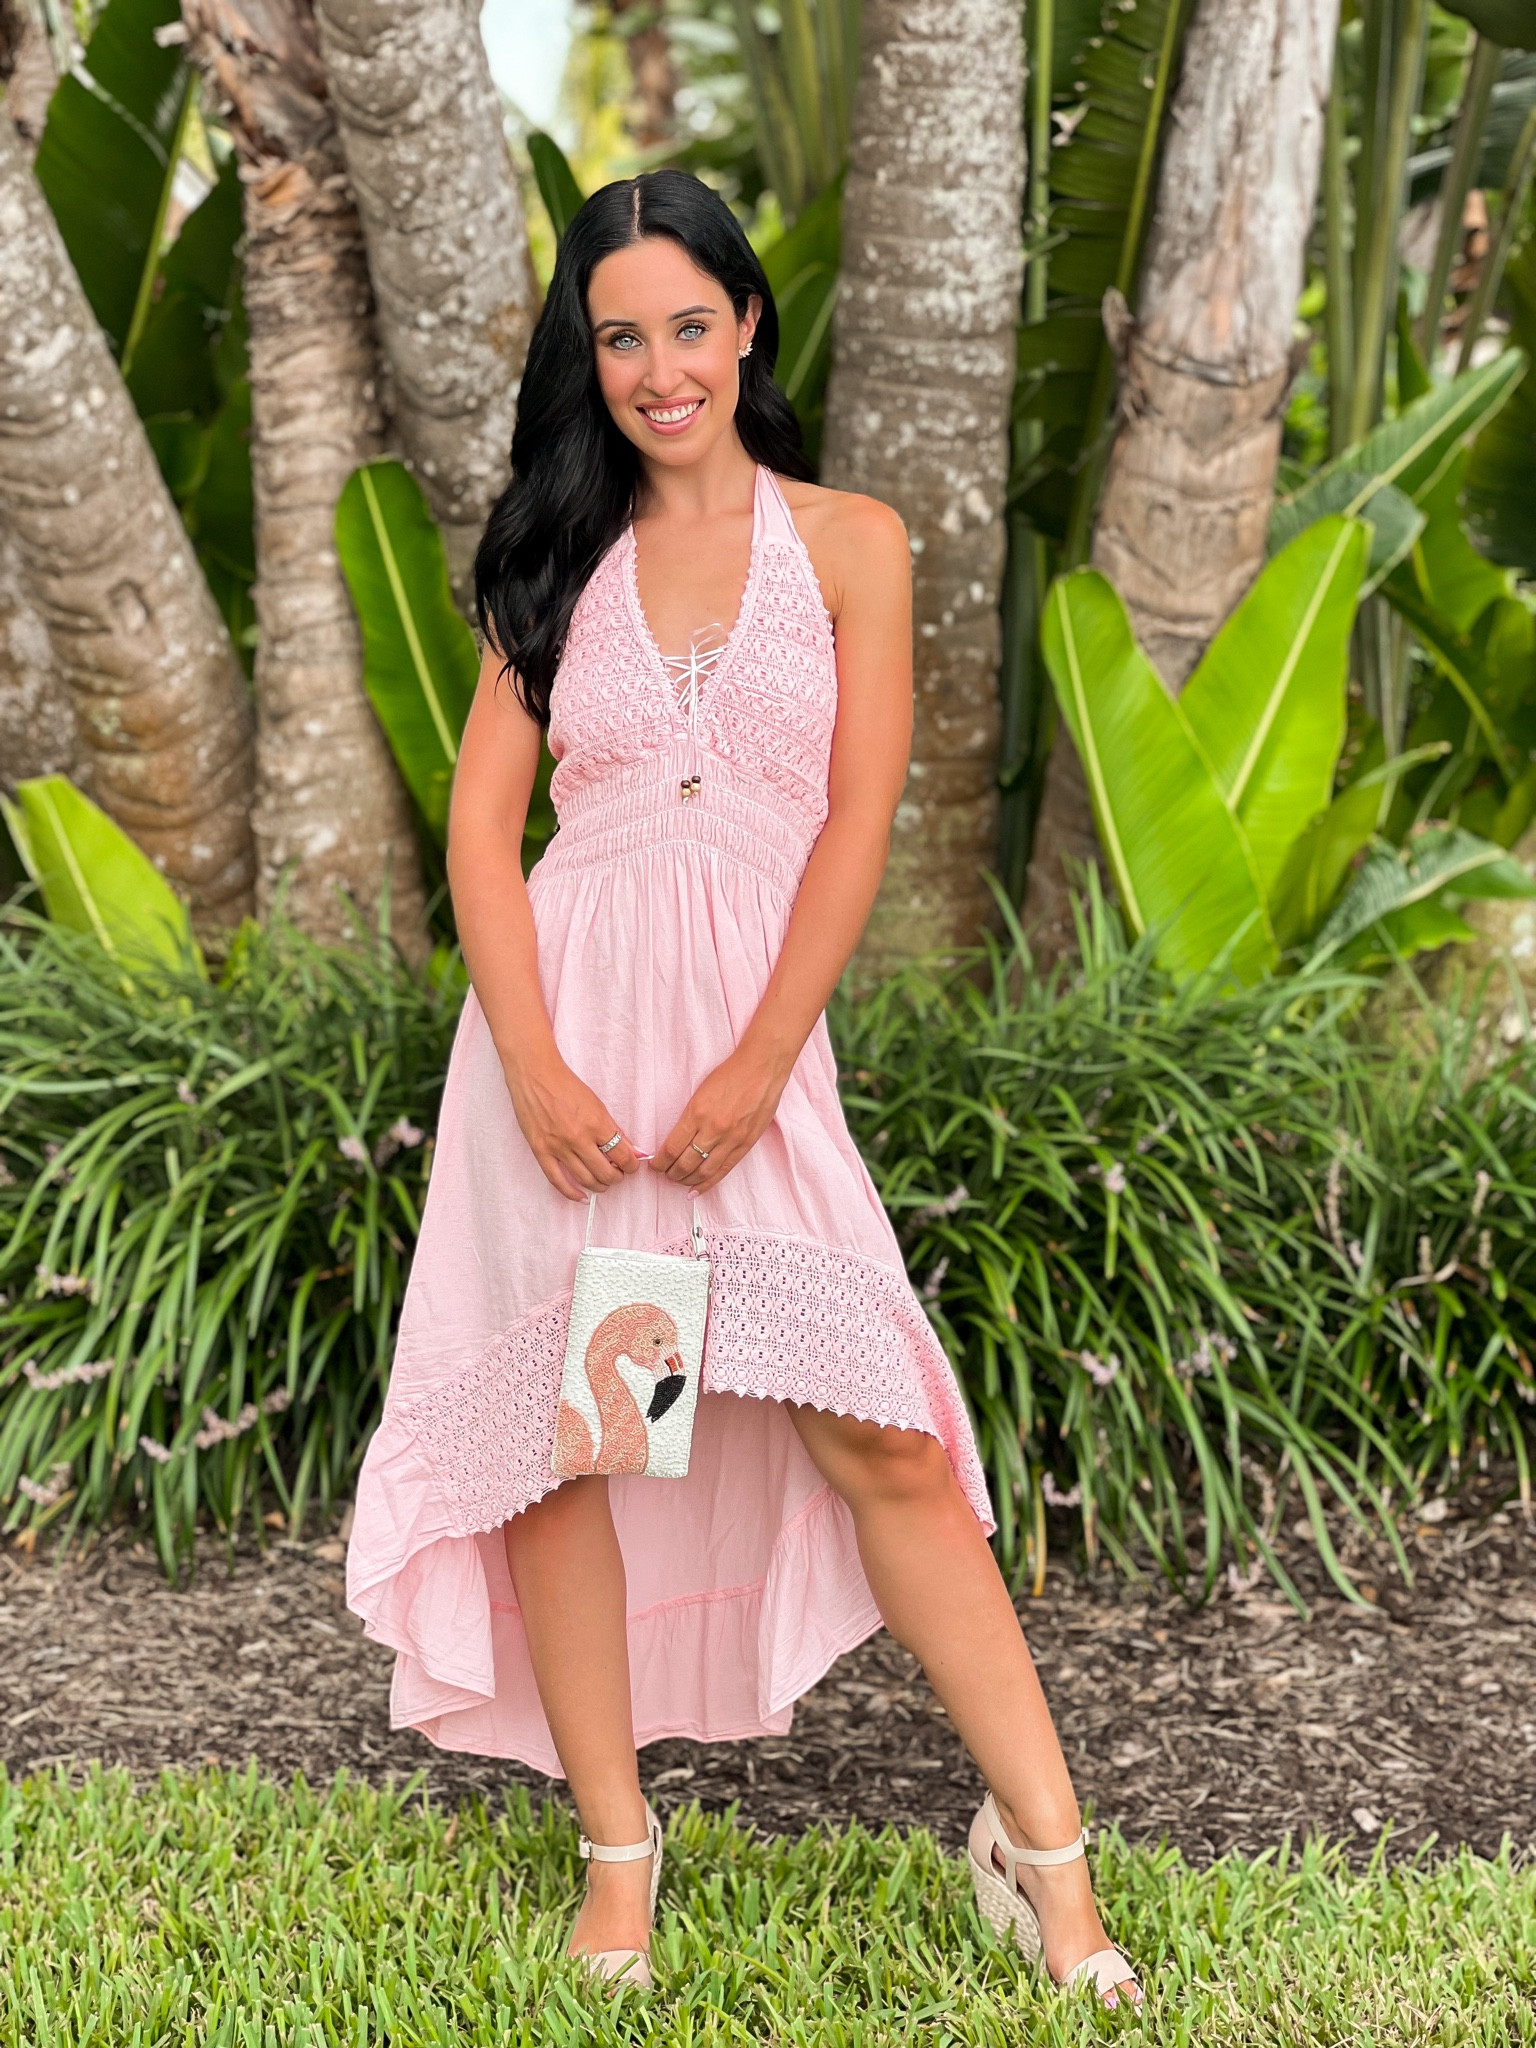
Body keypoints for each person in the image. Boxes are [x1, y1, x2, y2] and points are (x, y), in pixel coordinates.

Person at [345, 168, 1140, 2010]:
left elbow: (860, 818)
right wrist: (532, 1063)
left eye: (687, 324)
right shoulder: (558, 557)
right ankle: (619, 1857)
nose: (656, 366)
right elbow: (481, 822)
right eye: (618, 335)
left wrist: (766, 1059)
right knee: (586, 1443)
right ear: (590, 356)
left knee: (883, 1437)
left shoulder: (849, 541)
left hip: (747, 1059)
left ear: (748, 324)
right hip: (567, 1065)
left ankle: (1047, 1864)